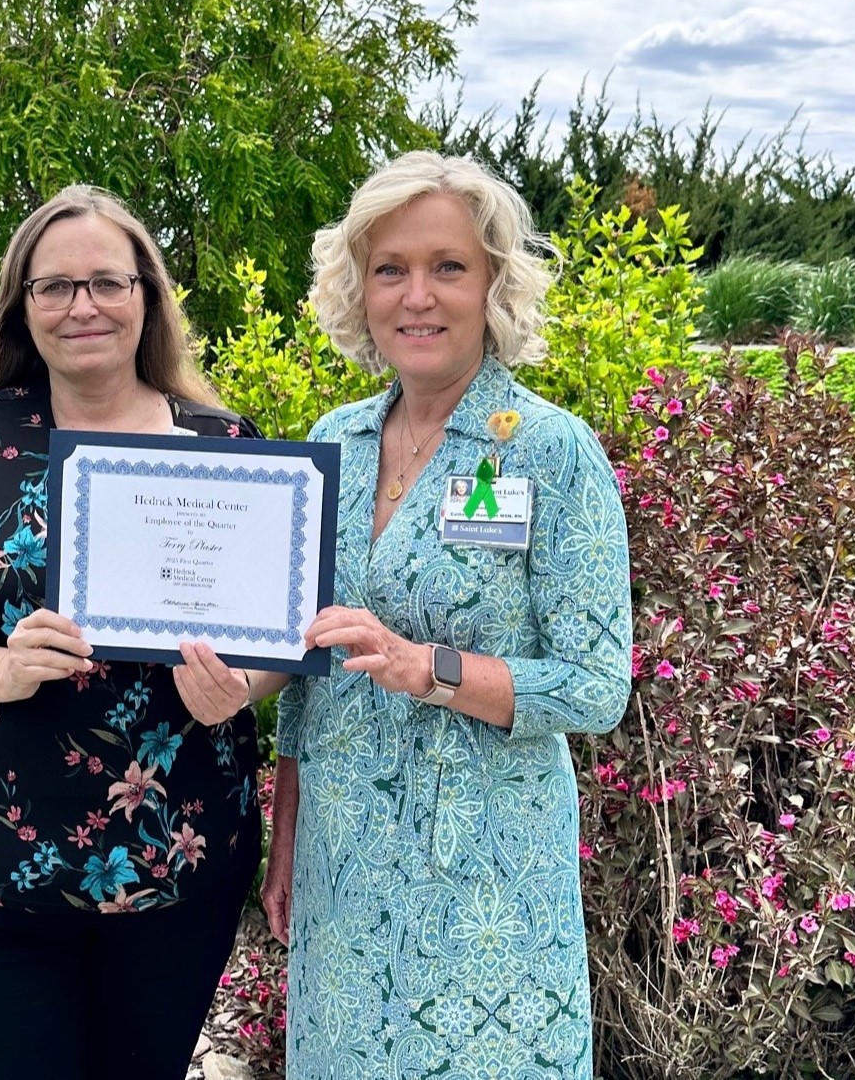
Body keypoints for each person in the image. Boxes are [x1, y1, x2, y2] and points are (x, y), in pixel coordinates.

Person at [0, 184, 267, 1080]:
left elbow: (269, 647)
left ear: (147, 297)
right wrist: (6, 669)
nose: (84, 305)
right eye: (55, 286)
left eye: (108, 282)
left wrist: (241, 688)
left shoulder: (227, 447)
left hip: (174, 878)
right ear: (23, 305)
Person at [259, 151, 633, 1078]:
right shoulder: (331, 443)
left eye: (448, 268)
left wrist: (434, 668)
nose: (416, 297)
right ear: (359, 289)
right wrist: (288, 842)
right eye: (390, 269)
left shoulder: (551, 452)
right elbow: (311, 673)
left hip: (485, 879)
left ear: (495, 285)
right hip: (343, 867)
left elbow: (597, 687)